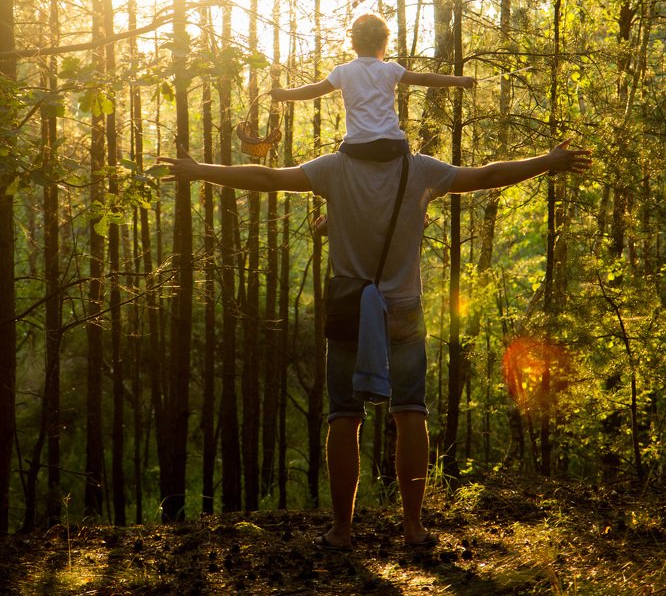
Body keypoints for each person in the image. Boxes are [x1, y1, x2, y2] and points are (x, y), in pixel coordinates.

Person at [160, 137, 592, 550]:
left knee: (344, 416)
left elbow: (268, 177)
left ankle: (341, 531)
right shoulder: (419, 169)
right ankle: (413, 527)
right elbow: (485, 175)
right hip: (403, 309)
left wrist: (200, 171)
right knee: (410, 413)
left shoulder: (333, 169)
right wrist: (546, 161)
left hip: (351, 310)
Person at [270, 12, 474, 161]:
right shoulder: (390, 70)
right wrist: (458, 80)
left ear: (353, 44)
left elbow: (314, 90)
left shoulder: (343, 71)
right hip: (394, 147)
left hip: (358, 147)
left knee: (339, 170)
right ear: (383, 42)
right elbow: (425, 79)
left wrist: (283, 94)